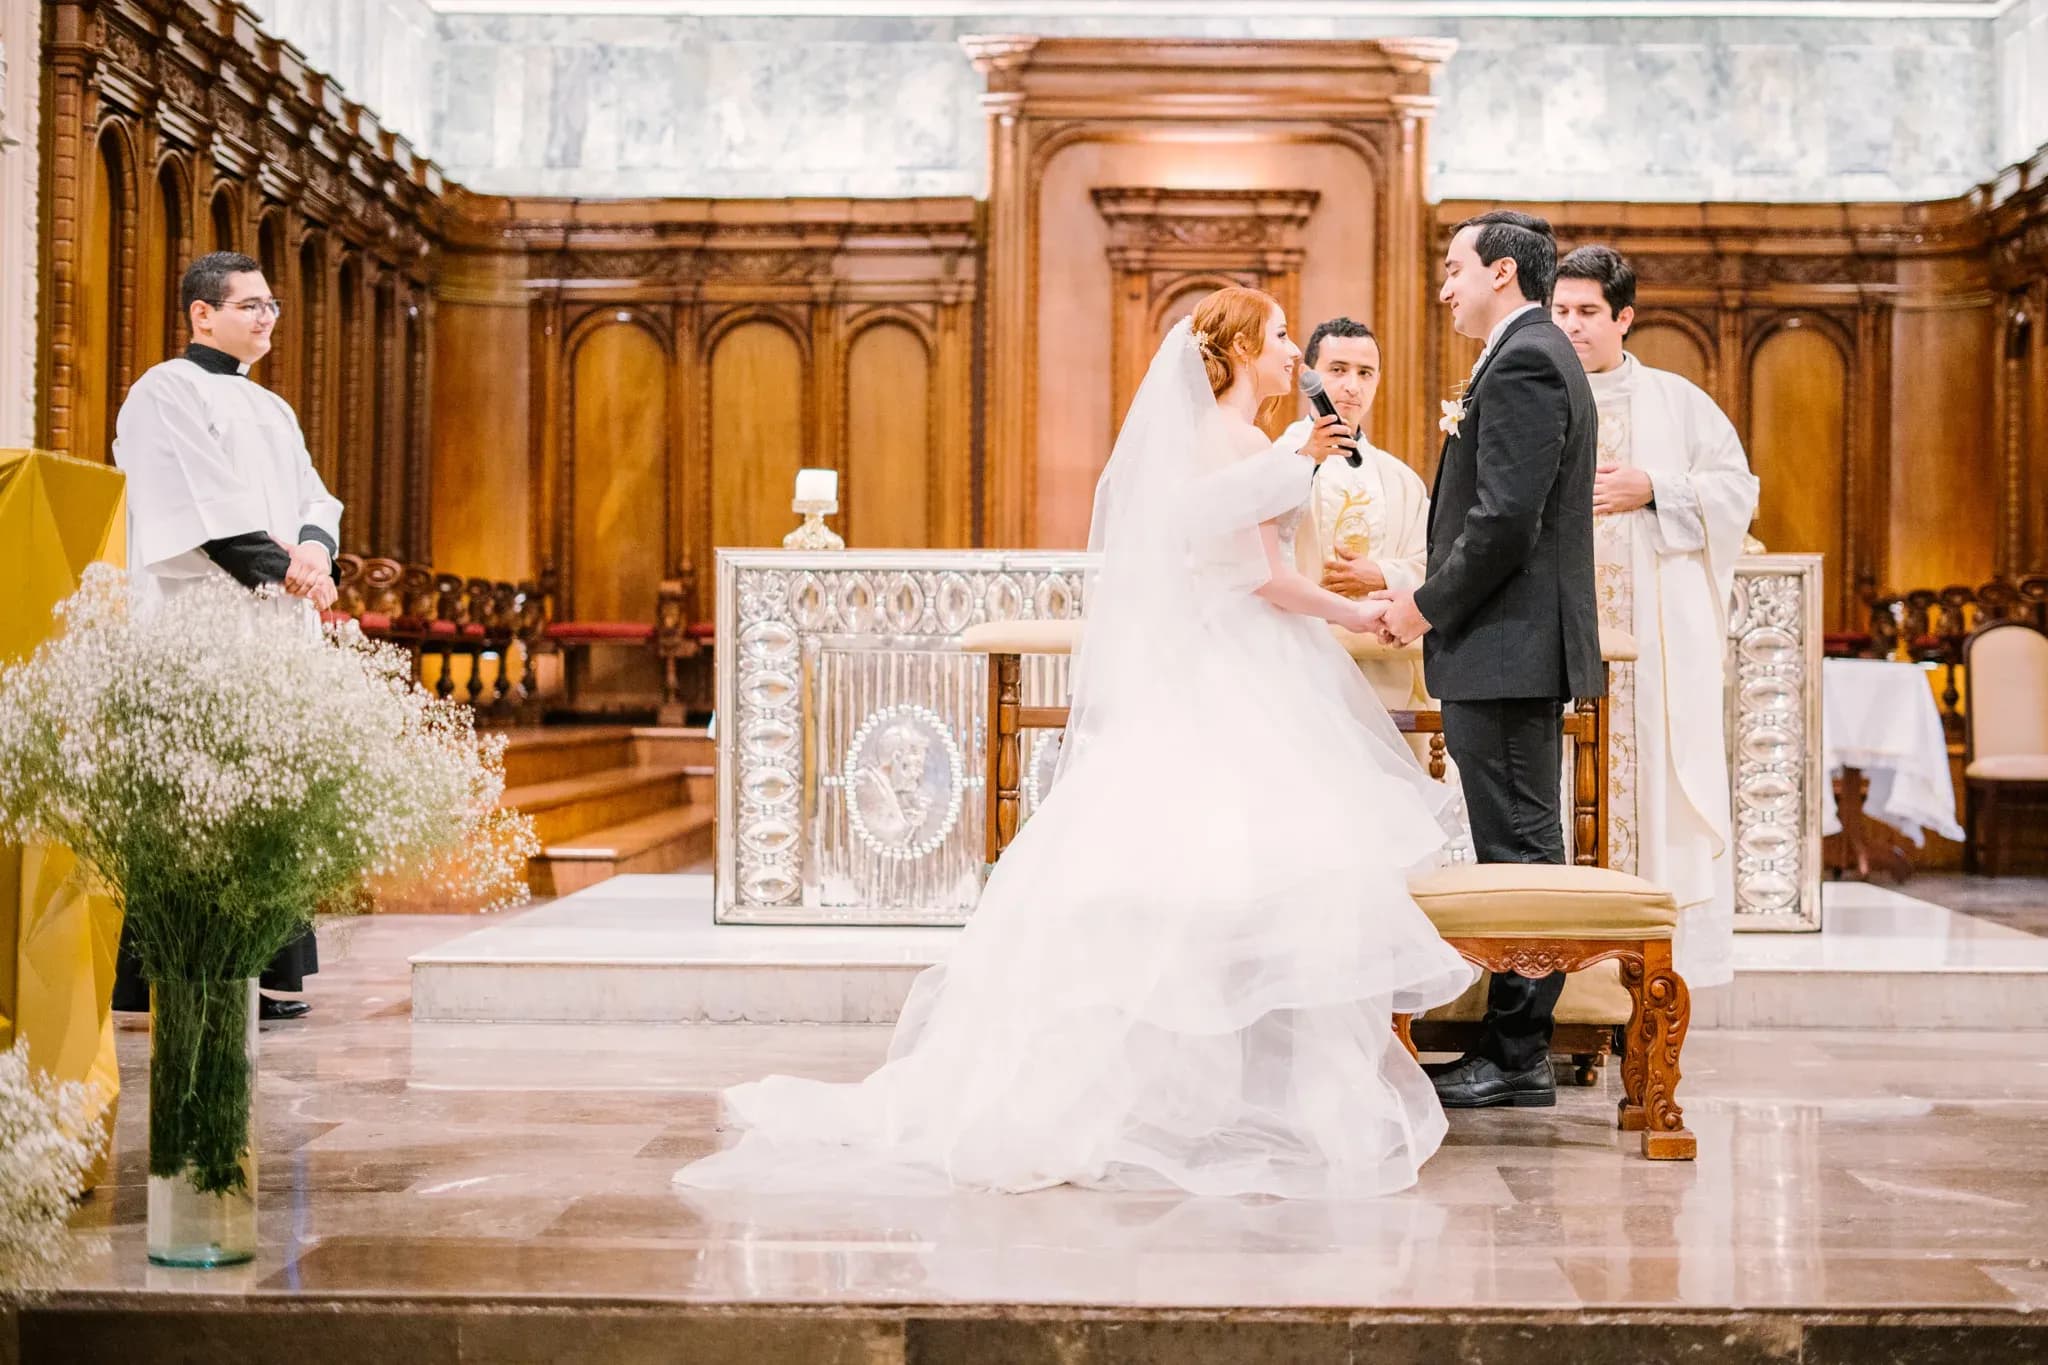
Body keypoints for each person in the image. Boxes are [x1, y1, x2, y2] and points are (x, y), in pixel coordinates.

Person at [676, 287, 1476, 1199]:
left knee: (1178, 889)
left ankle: (1176, 1095)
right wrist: (1359, 610)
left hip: (1214, 674)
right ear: (1243, 348)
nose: (1296, 354)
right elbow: (1266, 581)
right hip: (1241, 677)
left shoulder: (1230, 445)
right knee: (1245, 885)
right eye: (1284, 338)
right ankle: (1229, 1099)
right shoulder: (1254, 447)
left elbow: (1246, 567)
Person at [1370, 211, 1601, 1111]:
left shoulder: (1529, 359)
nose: (1444, 285)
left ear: (1501, 272)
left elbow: (1505, 520)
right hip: (1504, 645)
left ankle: (1517, 1053)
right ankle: (1516, 1046)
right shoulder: (1526, 353)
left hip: (1507, 646)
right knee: (1519, 843)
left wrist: (1424, 604)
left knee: (1523, 852)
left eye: (1454, 268)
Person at [107, 251, 341, 1023]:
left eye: (271, 305)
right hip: (200, 623)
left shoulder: (270, 408)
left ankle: (260, 972)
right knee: (194, 799)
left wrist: (314, 549)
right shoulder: (163, 391)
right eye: (250, 304)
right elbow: (194, 504)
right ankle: (179, 971)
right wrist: (288, 571)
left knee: (262, 800)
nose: (267, 316)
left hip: (270, 622)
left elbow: (316, 494)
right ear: (202, 313)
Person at [1552, 245, 1758, 988]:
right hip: (1555, 641)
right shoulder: (1532, 393)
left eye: (1587, 313)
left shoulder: (1677, 402)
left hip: (1658, 648)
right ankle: (1557, 972)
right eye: (1560, 311)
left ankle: (1652, 970)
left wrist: (1655, 487)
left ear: (1624, 318)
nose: (1571, 327)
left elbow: (1737, 491)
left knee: (1658, 794)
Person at [1280, 317, 1433, 713]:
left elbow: (1434, 563)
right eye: (1338, 370)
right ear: (1307, 376)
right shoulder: (1278, 461)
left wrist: (1382, 575)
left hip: (1383, 669)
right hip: (1296, 665)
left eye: (1365, 373)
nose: (1352, 386)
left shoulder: (1401, 480)